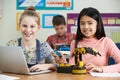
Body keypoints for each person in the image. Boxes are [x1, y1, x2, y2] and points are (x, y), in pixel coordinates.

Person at [69, 7, 120, 73]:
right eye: (82, 23)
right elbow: (71, 66)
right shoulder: (74, 43)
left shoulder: (106, 42)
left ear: (97, 24)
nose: (86, 27)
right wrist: (62, 62)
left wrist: (101, 69)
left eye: (90, 23)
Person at [7, 6, 56, 72]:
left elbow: (58, 65)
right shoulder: (11, 45)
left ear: (38, 27)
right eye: (24, 26)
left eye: (32, 26)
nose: (28, 30)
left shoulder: (44, 46)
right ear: (19, 26)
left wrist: (47, 66)